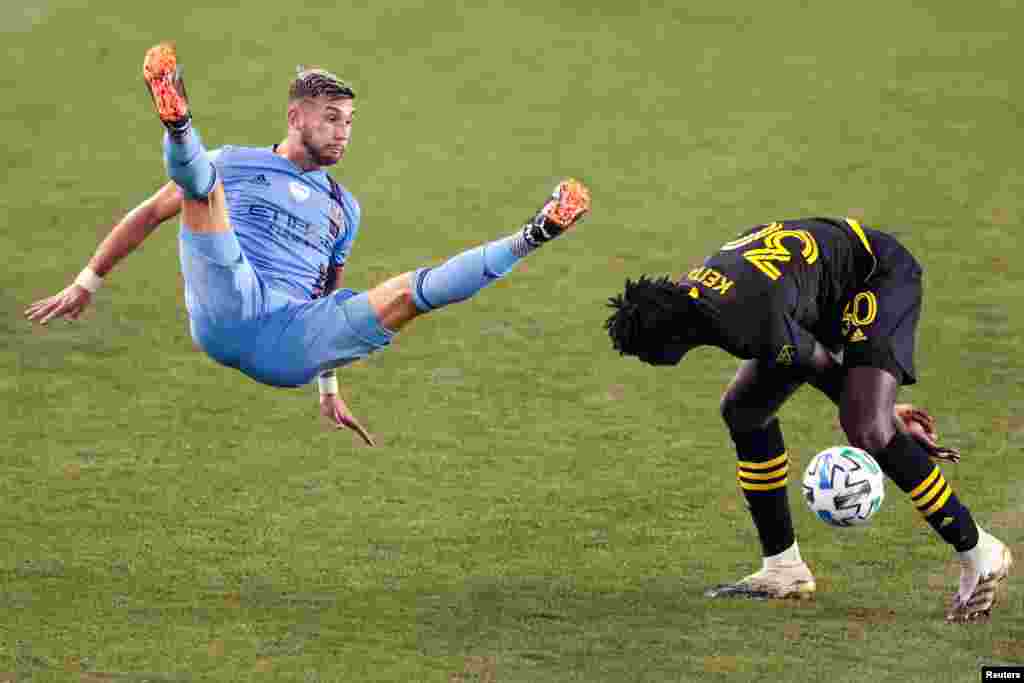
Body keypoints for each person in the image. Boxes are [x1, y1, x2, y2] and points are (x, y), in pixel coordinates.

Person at [25, 43, 591, 446]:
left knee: (407, 295)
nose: (343, 131)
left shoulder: (345, 209)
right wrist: (86, 282)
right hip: (230, 299)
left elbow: (327, 294)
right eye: (330, 119)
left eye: (348, 120)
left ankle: (532, 235)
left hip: (290, 343)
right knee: (205, 187)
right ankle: (178, 125)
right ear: (296, 117)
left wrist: (329, 384)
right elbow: (148, 215)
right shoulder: (237, 163)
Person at [604, 216, 1011, 623]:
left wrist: (881, 410)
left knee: (867, 429)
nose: (643, 360)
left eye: (644, 351)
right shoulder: (688, 301)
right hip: (811, 290)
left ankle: (980, 552)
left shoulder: (742, 320)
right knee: (745, 413)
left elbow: (817, 363)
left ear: (671, 339)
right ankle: (783, 570)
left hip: (875, 275)